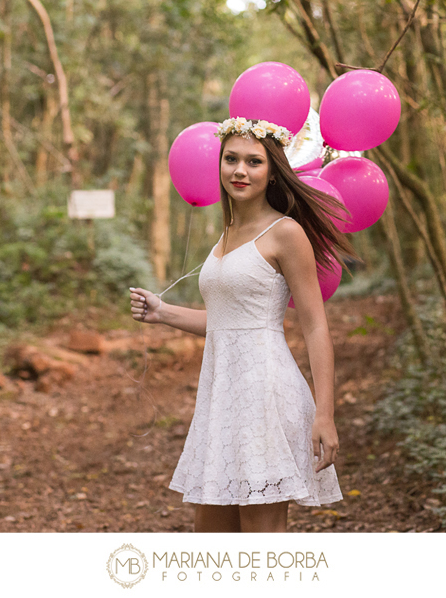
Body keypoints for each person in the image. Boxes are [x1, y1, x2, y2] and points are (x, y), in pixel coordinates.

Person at [129, 117, 358, 533]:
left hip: (266, 397)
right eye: (231, 159)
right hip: (221, 401)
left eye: (253, 162)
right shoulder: (226, 235)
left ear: (272, 171)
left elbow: (315, 328)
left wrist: (325, 413)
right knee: (211, 537)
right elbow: (226, 323)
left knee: (260, 540)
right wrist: (162, 312)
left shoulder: (285, 233)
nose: (239, 170)